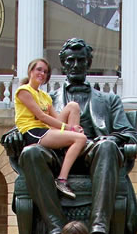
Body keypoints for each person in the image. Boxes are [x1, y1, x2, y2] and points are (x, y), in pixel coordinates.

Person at [18, 38, 137, 234]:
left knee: (107, 147)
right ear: (63, 65)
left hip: (93, 154)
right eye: (71, 61)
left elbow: (130, 133)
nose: (76, 65)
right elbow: (27, 122)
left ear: (88, 64)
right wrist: (12, 136)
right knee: (30, 152)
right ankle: (56, 233)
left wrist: (111, 139)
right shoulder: (47, 97)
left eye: (81, 61)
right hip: (55, 155)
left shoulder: (109, 99)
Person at [14, 57, 87, 199]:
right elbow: (42, 117)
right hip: (34, 132)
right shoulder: (24, 91)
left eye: (45, 71)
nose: (42, 73)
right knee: (80, 139)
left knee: (73, 106)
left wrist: (73, 128)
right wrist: (71, 130)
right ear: (31, 71)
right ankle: (62, 179)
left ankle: (68, 154)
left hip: (46, 130)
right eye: (39, 69)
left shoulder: (45, 96)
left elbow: (54, 119)